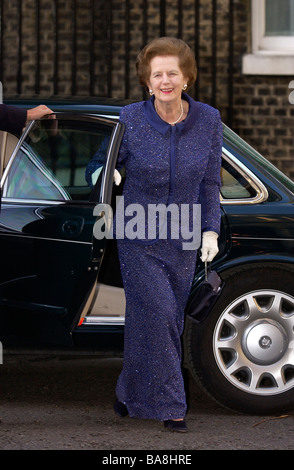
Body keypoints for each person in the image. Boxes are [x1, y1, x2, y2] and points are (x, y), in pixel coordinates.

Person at [112, 37, 223, 432]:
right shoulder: (130, 118)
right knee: (158, 314)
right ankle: (172, 406)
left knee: (162, 322)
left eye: (172, 73)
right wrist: (110, 173)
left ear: (186, 78)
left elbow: (210, 182)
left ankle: (128, 392)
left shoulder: (208, 120)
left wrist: (210, 230)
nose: (165, 80)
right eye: (157, 74)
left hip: (183, 238)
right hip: (138, 234)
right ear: (147, 81)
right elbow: (99, 165)